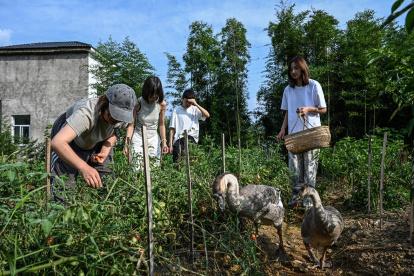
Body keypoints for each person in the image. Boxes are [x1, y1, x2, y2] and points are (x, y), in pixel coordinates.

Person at [51, 84, 137, 201]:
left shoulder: (120, 117)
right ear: (104, 104)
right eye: (113, 116)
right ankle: (62, 215)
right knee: (64, 189)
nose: (115, 121)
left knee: (107, 184)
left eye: (119, 118)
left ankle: (104, 213)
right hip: (71, 141)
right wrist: (84, 167)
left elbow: (114, 132)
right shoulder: (86, 113)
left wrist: (105, 150)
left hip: (96, 141)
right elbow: (58, 142)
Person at [276, 56, 327, 208]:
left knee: (309, 173)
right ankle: (296, 202)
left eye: (296, 68)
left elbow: (323, 109)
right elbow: (287, 112)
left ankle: (309, 205)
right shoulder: (288, 89)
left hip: (311, 135)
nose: (293, 71)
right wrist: (282, 129)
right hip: (293, 137)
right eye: (291, 69)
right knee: (295, 172)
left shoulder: (313, 85)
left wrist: (308, 109)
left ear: (303, 68)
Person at [124, 76, 169, 169]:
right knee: (136, 167)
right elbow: (131, 125)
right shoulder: (138, 103)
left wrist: (164, 142)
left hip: (153, 138)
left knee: (154, 167)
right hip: (138, 137)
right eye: (151, 94)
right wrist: (126, 144)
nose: (154, 97)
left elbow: (161, 124)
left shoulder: (161, 104)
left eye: (156, 95)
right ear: (146, 91)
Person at [168, 88, 210, 163]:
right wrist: (170, 144)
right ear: (182, 99)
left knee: (191, 162)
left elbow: (207, 115)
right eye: (187, 101)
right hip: (178, 139)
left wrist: (196, 104)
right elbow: (172, 129)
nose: (188, 104)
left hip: (192, 138)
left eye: (190, 102)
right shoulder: (176, 110)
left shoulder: (195, 109)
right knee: (177, 162)